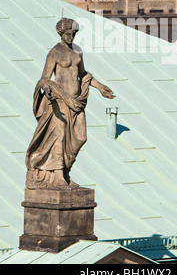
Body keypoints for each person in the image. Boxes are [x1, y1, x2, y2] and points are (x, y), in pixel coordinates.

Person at [25, 18, 115, 190]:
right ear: (61, 33)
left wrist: (100, 87)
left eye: (73, 34)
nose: (71, 37)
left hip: (77, 102)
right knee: (59, 137)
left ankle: (66, 171)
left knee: (81, 137)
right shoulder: (54, 53)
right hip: (59, 101)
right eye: (68, 34)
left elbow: (84, 75)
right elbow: (44, 77)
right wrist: (47, 89)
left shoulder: (78, 52)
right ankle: (59, 175)